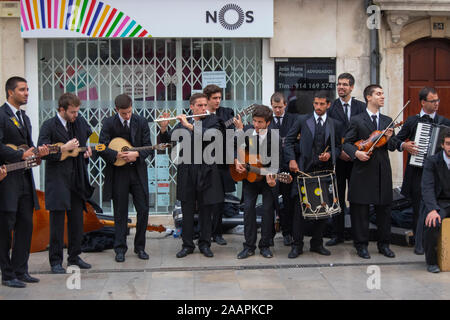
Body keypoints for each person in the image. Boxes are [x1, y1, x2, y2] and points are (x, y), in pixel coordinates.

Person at [158, 93, 225, 258]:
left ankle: (205, 244)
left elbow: (211, 137)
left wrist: (189, 125)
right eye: (200, 105)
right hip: (187, 170)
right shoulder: (182, 124)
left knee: (205, 209)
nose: (203, 108)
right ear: (192, 107)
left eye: (204, 105)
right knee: (187, 209)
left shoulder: (213, 121)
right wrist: (164, 128)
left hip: (206, 170)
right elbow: (169, 143)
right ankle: (187, 245)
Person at [0, 76, 49, 288]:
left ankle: (21, 270)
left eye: (28, 89)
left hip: (25, 180)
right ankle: (7, 274)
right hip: (7, 180)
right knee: (5, 230)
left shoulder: (25, 118)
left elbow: (27, 148)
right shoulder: (1, 115)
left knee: (25, 226)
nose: (27, 93)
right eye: (22, 89)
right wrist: (19, 156)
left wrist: (36, 156)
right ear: (10, 92)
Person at [38, 93, 94, 274]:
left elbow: (87, 138)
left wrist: (87, 150)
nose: (75, 115)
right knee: (57, 223)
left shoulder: (78, 122)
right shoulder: (49, 125)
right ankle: (55, 261)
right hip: (58, 181)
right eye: (72, 112)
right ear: (61, 109)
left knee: (77, 221)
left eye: (77, 111)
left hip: (76, 179)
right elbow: (42, 150)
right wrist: (63, 148)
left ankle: (75, 257)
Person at [391, 87, 450, 254]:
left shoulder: (445, 123)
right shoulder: (412, 121)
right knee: (418, 209)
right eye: (433, 101)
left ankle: (435, 242)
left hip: (437, 175)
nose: (437, 103)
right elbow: (394, 141)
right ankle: (419, 244)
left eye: (438, 100)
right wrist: (404, 145)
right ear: (423, 102)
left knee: (434, 206)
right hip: (418, 172)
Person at [285, 91, 341, 258]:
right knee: (299, 211)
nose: (318, 107)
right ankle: (297, 245)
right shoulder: (302, 120)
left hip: (324, 172)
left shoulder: (334, 124)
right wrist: (292, 161)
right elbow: (288, 141)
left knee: (323, 210)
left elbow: (338, 147)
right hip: (304, 171)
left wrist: (331, 154)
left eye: (322, 104)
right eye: (316, 103)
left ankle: (317, 244)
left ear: (328, 105)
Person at [343, 84, 397, 259]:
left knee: (384, 211)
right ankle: (361, 245)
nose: (382, 97)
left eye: (383, 94)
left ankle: (384, 245)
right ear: (368, 97)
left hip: (382, 170)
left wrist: (389, 138)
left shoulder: (388, 120)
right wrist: (356, 153)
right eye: (378, 94)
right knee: (360, 211)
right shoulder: (357, 120)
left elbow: (393, 146)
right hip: (362, 170)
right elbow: (346, 143)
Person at [99, 94, 153, 263]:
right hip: (118, 173)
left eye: (129, 112)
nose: (127, 115)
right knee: (120, 212)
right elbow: (101, 146)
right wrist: (117, 155)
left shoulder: (141, 122)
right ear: (117, 110)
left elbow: (149, 146)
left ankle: (140, 247)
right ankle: (120, 248)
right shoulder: (108, 123)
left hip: (137, 172)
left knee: (143, 210)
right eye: (124, 113)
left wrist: (136, 154)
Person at [233, 105, 282, 259]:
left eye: (260, 122)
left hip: (267, 179)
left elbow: (276, 163)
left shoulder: (275, 138)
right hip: (250, 179)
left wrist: (273, 177)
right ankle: (248, 246)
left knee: (268, 211)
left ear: (268, 123)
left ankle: (265, 245)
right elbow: (237, 148)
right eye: (254, 121)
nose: (256, 125)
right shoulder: (247, 132)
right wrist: (236, 161)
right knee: (248, 209)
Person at [326, 73, 366, 246]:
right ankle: (338, 234)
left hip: (358, 159)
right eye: (339, 84)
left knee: (357, 198)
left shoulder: (362, 107)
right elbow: (329, 133)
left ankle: (358, 236)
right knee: (338, 197)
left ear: (351, 87)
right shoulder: (331, 108)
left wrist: (356, 151)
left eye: (344, 84)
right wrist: (339, 151)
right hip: (339, 159)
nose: (340, 87)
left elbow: (365, 132)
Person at [203, 84, 235, 246]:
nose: (218, 101)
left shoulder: (226, 113)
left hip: (222, 163)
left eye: (219, 98)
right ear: (207, 99)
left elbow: (232, 137)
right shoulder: (200, 114)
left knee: (220, 201)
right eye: (214, 98)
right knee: (205, 201)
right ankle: (205, 233)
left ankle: (217, 233)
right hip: (204, 162)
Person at [268, 92, 298, 246]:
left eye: (280, 107)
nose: (277, 110)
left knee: (288, 202)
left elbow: (294, 142)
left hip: (287, 166)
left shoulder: (294, 119)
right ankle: (270, 235)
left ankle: (288, 232)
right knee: (271, 202)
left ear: (285, 105)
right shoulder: (267, 120)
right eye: (274, 107)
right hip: (271, 167)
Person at [422, 128, 450, 273]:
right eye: (448, 144)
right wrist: (432, 209)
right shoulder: (432, 161)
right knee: (432, 222)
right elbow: (427, 187)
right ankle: (431, 261)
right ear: (442, 145)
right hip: (439, 203)